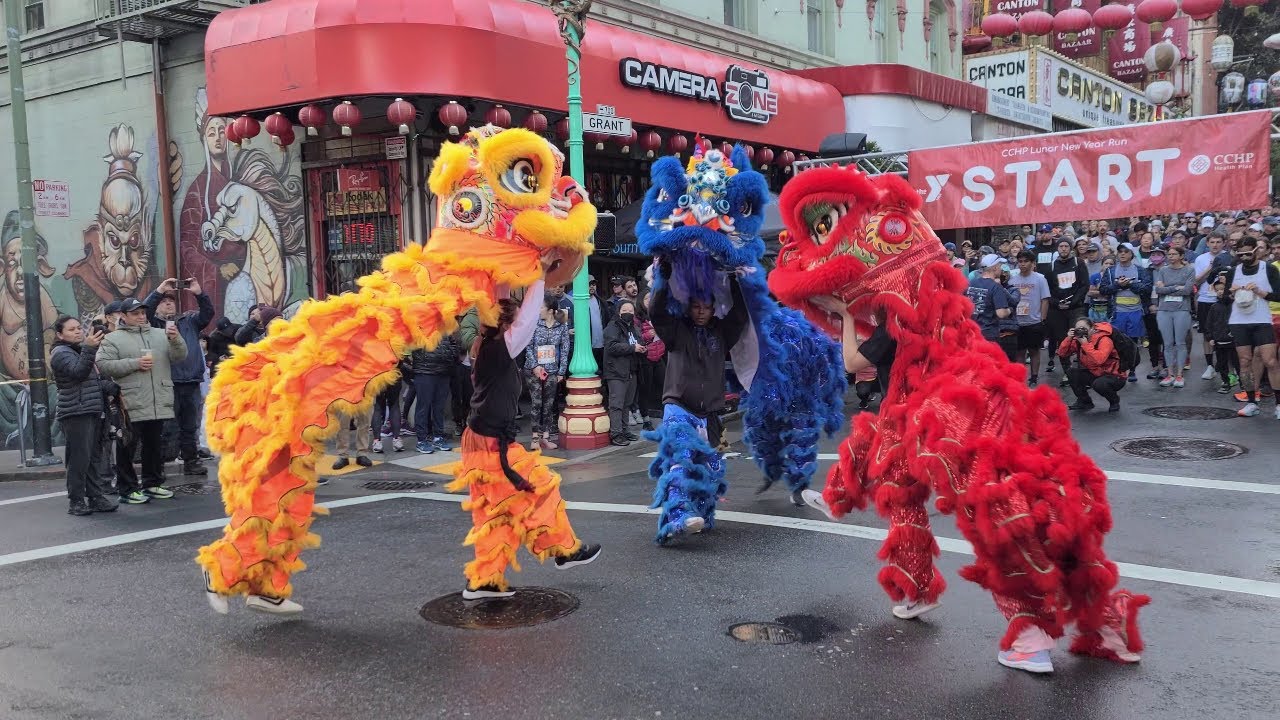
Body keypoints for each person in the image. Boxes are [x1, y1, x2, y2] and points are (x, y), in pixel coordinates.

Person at [448, 280, 601, 600]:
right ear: (504, 324)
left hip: (483, 440)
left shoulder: (490, 344)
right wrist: (539, 275)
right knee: (541, 487)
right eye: (513, 319)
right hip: (491, 445)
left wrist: (500, 280)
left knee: (497, 513)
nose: (521, 324)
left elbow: (505, 307)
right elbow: (527, 320)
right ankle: (564, 550)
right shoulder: (497, 347)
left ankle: (485, 581)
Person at [648, 259, 750, 538]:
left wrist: (733, 278)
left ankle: (700, 513)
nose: (701, 312)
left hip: (712, 414)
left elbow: (740, 315)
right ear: (688, 307)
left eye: (706, 307)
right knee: (680, 462)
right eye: (696, 306)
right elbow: (656, 311)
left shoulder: (721, 332)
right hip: (679, 408)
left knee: (713, 470)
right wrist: (663, 278)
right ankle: (677, 517)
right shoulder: (676, 330)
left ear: (713, 307)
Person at [96, 298, 187, 504]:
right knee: (127, 445)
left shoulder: (160, 333)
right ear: (124, 316)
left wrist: (176, 339)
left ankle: (153, 483)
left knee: (155, 443)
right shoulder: (113, 339)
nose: (141, 317)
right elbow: (103, 365)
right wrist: (134, 363)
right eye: (135, 313)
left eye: (143, 313)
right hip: (130, 399)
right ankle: (127, 488)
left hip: (158, 397)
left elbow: (180, 356)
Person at [143, 277, 215, 475]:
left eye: (171, 301)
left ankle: (191, 461)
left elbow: (208, 313)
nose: (168, 303)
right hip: (168, 382)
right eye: (163, 301)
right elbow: (144, 312)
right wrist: (158, 290)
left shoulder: (189, 321)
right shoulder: (153, 324)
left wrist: (199, 293)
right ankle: (161, 466)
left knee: (190, 426)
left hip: (191, 381)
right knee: (166, 427)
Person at [50, 316, 117, 516]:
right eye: (72, 329)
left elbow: (88, 380)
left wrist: (109, 387)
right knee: (79, 459)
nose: (78, 331)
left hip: (91, 409)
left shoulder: (78, 350)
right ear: (60, 334)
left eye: (79, 327)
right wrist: (89, 348)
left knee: (94, 457)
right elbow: (78, 372)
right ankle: (76, 501)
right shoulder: (60, 353)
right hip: (76, 412)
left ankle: (95, 497)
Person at [1226, 236, 1280, 418]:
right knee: (1244, 361)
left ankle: (1279, 404)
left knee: (1270, 360)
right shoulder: (1234, 271)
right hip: (1239, 320)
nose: (1244, 257)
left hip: (1262, 319)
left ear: (1257, 250)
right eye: (1240, 254)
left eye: (1248, 253)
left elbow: (1278, 295)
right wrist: (1231, 294)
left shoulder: (1269, 269)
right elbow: (1225, 297)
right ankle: (1251, 401)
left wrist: (1259, 291)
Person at [1100, 243, 1151, 382]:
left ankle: (1132, 369)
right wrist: (1117, 285)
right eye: (1120, 251)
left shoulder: (1140, 270)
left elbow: (1147, 288)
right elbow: (1103, 290)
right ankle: (1120, 368)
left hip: (1135, 312)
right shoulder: (1110, 271)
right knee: (1117, 342)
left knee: (1132, 342)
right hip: (1117, 313)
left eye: (1125, 251)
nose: (1122, 254)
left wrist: (1129, 285)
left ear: (1131, 254)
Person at [524, 295, 570, 450]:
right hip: (533, 370)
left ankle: (546, 436)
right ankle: (535, 437)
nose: (539, 310)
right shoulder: (534, 325)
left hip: (552, 370)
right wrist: (535, 366)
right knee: (536, 403)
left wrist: (561, 372)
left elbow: (564, 350)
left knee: (549, 404)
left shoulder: (562, 327)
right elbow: (528, 347)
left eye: (541, 307)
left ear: (550, 310)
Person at [1058, 318, 1126, 412]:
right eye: (1078, 329)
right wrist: (1068, 338)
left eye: (1083, 328)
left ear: (1092, 328)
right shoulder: (1078, 340)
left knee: (1099, 384)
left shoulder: (1104, 339)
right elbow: (1062, 353)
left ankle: (1114, 401)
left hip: (1114, 376)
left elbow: (1100, 360)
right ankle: (1084, 401)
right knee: (1072, 372)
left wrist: (1085, 344)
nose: (1081, 331)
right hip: (1095, 373)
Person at [1045, 238, 1089, 382]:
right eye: (1061, 246)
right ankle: (1068, 372)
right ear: (1057, 248)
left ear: (1071, 248)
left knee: (1079, 336)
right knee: (1062, 340)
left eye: (1066, 246)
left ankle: (1083, 370)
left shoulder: (1078, 263)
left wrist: (1073, 301)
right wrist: (1057, 303)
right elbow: (1048, 289)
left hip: (1076, 308)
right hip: (1058, 309)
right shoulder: (1051, 266)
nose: (1063, 249)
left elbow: (1084, 285)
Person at [602, 300, 643, 447]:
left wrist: (641, 347)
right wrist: (632, 348)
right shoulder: (612, 327)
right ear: (618, 311)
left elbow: (639, 341)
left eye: (631, 311)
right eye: (625, 310)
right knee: (617, 404)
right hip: (616, 371)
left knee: (627, 403)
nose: (628, 313)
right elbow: (612, 346)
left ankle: (625, 430)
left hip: (631, 370)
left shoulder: (633, 327)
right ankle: (616, 433)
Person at [1153, 246, 1195, 388]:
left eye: (1174, 254)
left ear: (1181, 255)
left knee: (1180, 342)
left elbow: (1188, 290)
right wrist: (1176, 287)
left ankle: (1179, 374)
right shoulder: (1163, 270)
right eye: (1169, 254)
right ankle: (1170, 374)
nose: (1170, 256)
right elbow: (1158, 290)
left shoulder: (1189, 270)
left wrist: (1167, 288)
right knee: (1168, 343)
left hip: (1182, 309)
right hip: (1164, 310)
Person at [412, 330, 460, 454]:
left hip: (443, 372)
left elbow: (455, 344)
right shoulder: (420, 326)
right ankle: (421, 440)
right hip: (425, 371)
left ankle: (438, 436)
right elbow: (411, 347)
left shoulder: (446, 327)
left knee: (439, 407)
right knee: (423, 407)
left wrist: (449, 357)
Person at [1009, 251, 1051, 386]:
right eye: (1020, 261)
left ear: (1033, 263)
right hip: (1018, 322)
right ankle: (1020, 378)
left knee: (1034, 351)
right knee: (1019, 352)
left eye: (1025, 261)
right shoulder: (1013, 280)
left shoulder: (1040, 278)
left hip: (1034, 321)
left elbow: (1045, 300)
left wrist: (1042, 320)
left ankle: (1034, 377)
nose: (1022, 264)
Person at [965, 254, 1014, 359]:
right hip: (988, 335)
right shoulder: (996, 287)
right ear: (995, 268)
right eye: (1000, 266)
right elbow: (1001, 313)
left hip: (970, 333)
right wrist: (1010, 310)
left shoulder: (970, 283)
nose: (1001, 269)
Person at [1204, 273, 1240, 393]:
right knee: (1221, 362)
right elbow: (1209, 324)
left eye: (1222, 289)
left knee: (1238, 362)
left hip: (1234, 339)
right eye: (1217, 290)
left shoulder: (1235, 305)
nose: (1220, 292)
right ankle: (1225, 382)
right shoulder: (1214, 307)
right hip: (1219, 339)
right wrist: (1210, 337)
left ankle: (1244, 385)